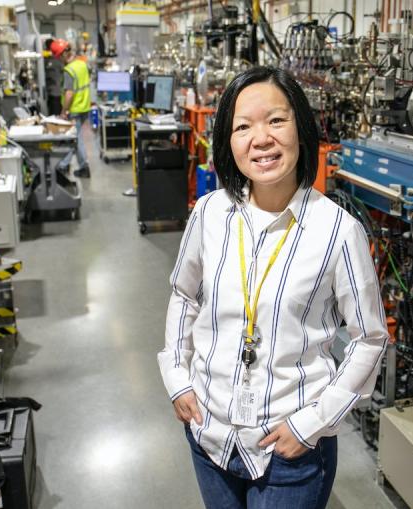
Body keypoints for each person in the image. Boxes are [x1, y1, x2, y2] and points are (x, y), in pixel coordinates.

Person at [157, 66, 389, 509]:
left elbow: (370, 339)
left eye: (275, 121)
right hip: (209, 435)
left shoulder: (338, 231)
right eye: (243, 126)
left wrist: (314, 423)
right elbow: (185, 296)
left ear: (301, 129)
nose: (260, 139)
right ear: (228, 140)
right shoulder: (209, 213)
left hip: (289, 450)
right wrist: (177, 377)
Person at [61, 42, 91, 178]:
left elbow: (69, 93)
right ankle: (70, 165)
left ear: (63, 55)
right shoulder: (82, 64)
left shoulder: (69, 70)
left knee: (74, 138)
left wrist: (64, 111)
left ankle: (66, 166)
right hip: (85, 106)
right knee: (76, 137)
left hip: (75, 108)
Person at [44, 38, 66, 116]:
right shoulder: (57, 60)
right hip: (56, 92)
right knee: (56, 115)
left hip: (52, 92)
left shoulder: (47, 60)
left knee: (53, 115)